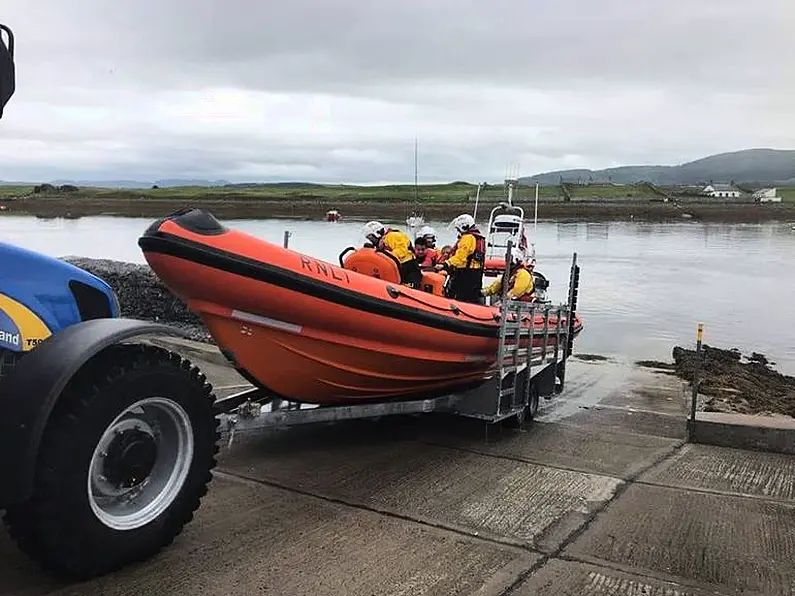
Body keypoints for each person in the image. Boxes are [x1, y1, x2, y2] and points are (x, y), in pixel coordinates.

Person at [435, 214, 485, 304]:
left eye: (458, 229)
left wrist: (446, 264)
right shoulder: (477, 237)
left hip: (465, 274)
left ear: (464, 226)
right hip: (475, 274)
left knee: (455, 297)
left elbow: (460, 258)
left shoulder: (467, 238)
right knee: (471, 298)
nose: (458, 231)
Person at [362, 221, 423, 288]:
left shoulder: (393, 236)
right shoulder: (383, 242)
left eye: (371, 238)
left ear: (377, 233)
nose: (371, 241)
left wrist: (385, 255)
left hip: (409, 268)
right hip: (398, 268)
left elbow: (401, 251)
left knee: (410, 288)